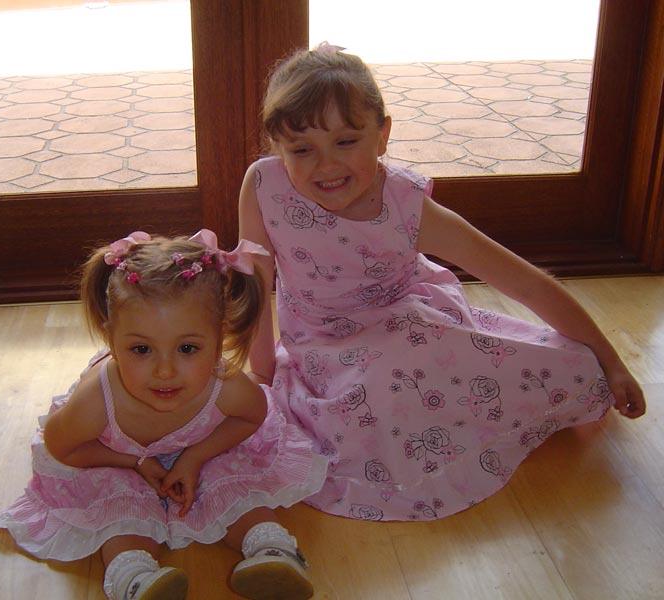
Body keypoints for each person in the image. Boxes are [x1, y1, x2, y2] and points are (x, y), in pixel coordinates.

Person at [238, 43, 646, 523]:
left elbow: (525, 283)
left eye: (345, 142)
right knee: (366, 403)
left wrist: (611, 361)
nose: (326, 166)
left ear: (382, 134)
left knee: (575, 369)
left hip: (409, 322)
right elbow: (255, 285)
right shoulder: (264, 186)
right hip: (320, 341)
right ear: (277, 147)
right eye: (302, 150)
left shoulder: (406, 206)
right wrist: (263, 376)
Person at [0, 229, 327, 600]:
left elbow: (252, 417)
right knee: (120, 506)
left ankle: (274, 552)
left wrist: (195, 456)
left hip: (200, 448)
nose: (165, 371)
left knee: (234, 482)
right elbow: (61, 447)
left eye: (187, 349)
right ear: (111, 340)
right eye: (141, 350)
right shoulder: (96, 400)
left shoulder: (226, 385)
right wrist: (134, 462)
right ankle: (135, 579)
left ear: (219, 339)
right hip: (115, 459)